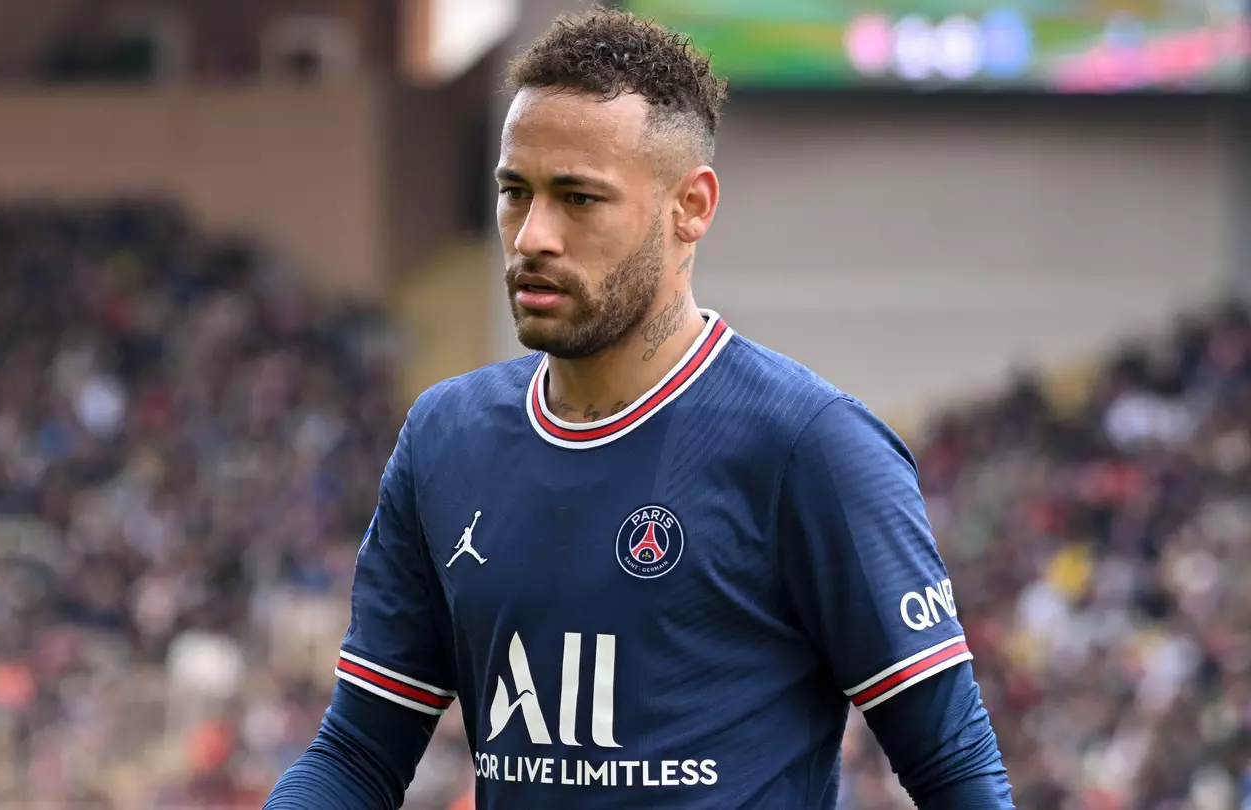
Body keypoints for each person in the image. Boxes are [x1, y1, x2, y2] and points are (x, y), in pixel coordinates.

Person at [262, 9, 1015, 809]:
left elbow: (956, 771)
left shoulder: (811, 447)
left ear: (690, 206)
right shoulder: (445, 438)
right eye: (515, 192)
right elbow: (356, 754)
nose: (532, 237)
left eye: (579, 199)